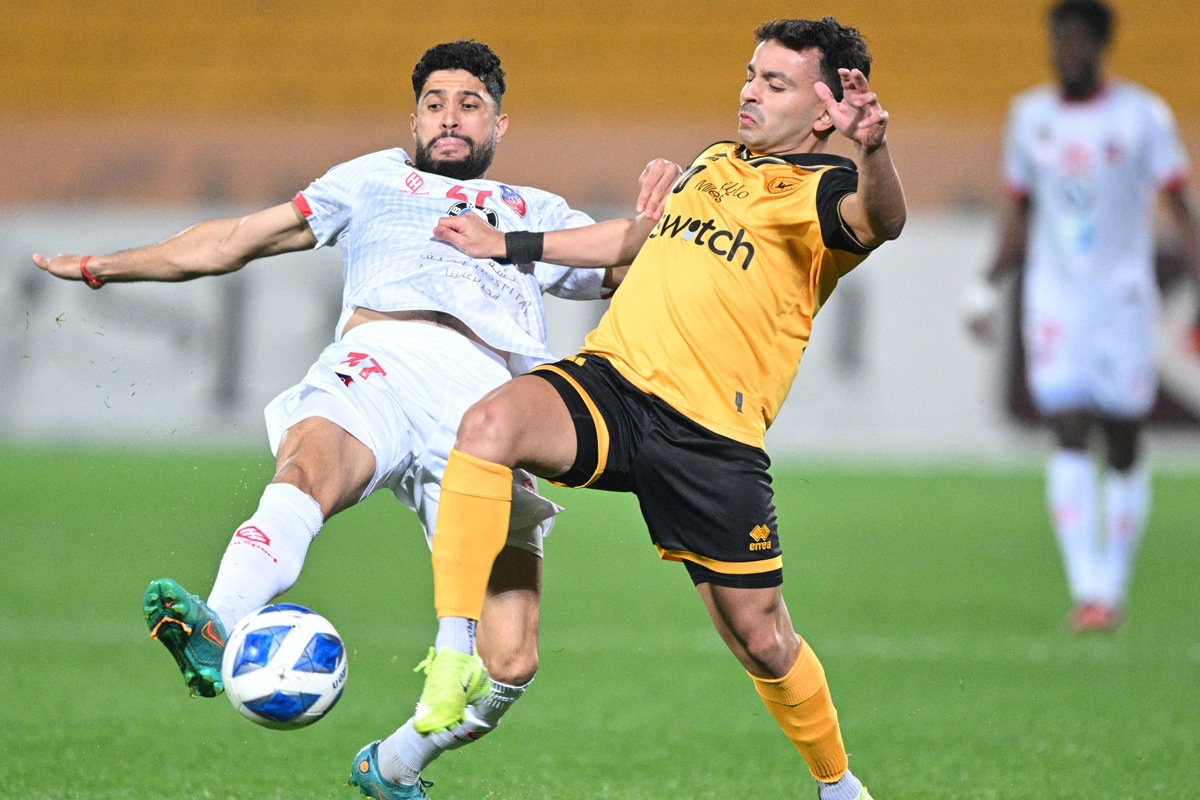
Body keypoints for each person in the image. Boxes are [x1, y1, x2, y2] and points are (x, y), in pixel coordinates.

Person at [32, 40, 679, 800]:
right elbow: (235, 240)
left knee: (510, 663)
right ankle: (220, 623)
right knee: (308, 470)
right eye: (435, 104)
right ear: (414, 119)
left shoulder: (533, 212)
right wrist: (106, 265)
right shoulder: (371, 180)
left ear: (499, 125)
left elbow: (626, 269)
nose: (450, 118)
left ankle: (396, 764)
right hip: (380, 358)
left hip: (490, 410)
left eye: (469, 104)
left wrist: (664, 218)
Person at [414, 18, 904, 800]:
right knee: (489, 425)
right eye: (751, 73)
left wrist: (872, 149)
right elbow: (633, 242)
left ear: (823, 111)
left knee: (762, 640)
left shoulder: (824, 192)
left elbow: (882, 222)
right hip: (614, 383)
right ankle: (451, 649)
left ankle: (839, 786)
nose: (749, 90)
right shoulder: (714, 160)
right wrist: (507, 244)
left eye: (774, 83)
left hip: (711, 440)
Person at [965, 0, 1200, 632]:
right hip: (1056, 301)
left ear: (1100, 45)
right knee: (1068, 426)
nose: (1065, 51)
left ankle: (1113, 583)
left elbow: (1181, 208)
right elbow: (1019, 210)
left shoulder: (1143, 116)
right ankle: (1089, 589)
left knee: (1122, 441)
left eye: (1076, 40)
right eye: (1058, 40)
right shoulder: (1030, 117)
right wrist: (987, 284)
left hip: (1123, 301)